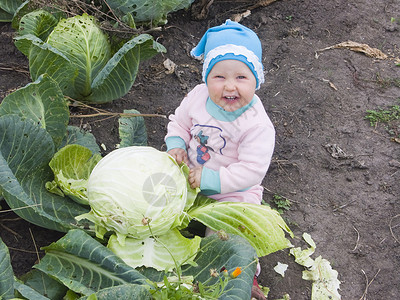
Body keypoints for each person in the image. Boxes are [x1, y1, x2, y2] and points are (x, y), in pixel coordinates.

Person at [165, 20, 274, 300]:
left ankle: (242, 278)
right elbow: (179, 123)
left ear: (257, 79)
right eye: (219, 77)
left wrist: (213, 180)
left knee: (230, 238)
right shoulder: (197, 98)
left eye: (241, 78)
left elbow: (251, 171)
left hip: (232, 193)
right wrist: (176, 145)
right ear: (206, 77)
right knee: (152, 210)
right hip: (188, 176)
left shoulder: (256, 125)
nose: (229, 86)